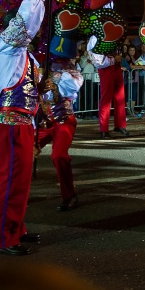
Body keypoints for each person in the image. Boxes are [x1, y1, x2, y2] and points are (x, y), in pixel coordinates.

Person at [0, 0, 55, 255]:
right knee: (13, 181)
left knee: (23, 181)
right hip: (12, 123)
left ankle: (17, 227)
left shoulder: (27, 57)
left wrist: (42, 87)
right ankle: (6, 237)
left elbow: (28, 90)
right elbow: (26, 21)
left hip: (24, 122)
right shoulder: (6, 45)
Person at [37, 60, 82, 212]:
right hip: (44, 123)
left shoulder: (69, 70)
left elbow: (73, 87)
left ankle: (69, 196)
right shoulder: (36, 68)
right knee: (21, 150)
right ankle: (15, 193)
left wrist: (56, 81)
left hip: (64, 121)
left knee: (59, 156)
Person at [89, 35, 128, 139]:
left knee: (120, 98)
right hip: (106, 70)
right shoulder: (95, 37)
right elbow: (97, 60)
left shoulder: (114, 33)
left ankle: (120, 125)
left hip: (116, 68)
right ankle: (104, 129)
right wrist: (114, 60)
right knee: (106, 99)